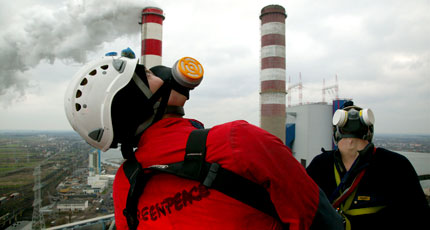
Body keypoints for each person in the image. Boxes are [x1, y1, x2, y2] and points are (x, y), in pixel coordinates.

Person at [64, 52, 343, 230]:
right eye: (148, 74)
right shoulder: (238, 141)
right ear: (136, 102)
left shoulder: (126, 182)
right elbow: (320, 220)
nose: (160, 73)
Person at [306, 101, 430, 230]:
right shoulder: (395, 164)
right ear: (369, 131)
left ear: (336, 133)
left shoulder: (320, 165)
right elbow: (419, 217)